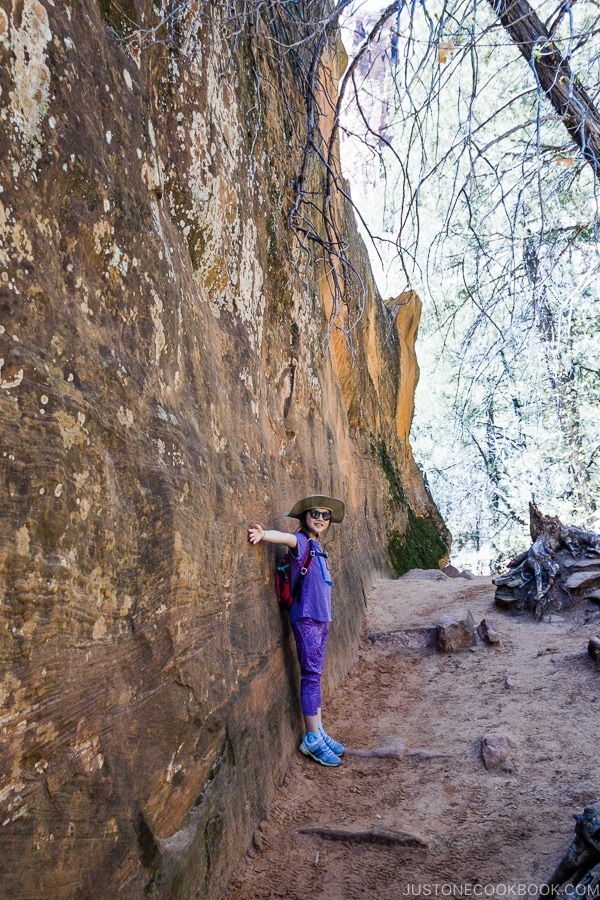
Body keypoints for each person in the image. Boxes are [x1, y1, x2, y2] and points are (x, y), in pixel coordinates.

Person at [248, 494, 346, 767]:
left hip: (321, 619)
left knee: (315, 676)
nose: (321, 518)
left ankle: (319, 729)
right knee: (311, 676)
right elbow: (286, 539)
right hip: (305, 617)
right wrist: (264, 534)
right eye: (315, 513)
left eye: (326, 515)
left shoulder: (319, 547)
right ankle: (312, 737)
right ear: (304, 517)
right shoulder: (302, 542)